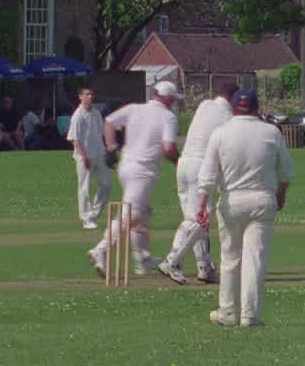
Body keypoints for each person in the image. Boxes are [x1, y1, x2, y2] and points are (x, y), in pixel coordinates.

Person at [194, 85, 294, 327]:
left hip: (232, 201)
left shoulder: (220, 133)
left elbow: (207, 175)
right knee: (255, 259)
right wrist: (281, 195)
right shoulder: (272, 132)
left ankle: (228, 312)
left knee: (230, 257)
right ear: (257, 108)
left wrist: (202, 204)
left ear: (233, 108)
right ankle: (249, 315)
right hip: (262, 200)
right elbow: (286, 172)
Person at [88, 76, 182, 279]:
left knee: (142, 213)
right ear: (167, 98)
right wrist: (179, 162)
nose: (174, 103)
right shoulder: (168, 117)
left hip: (125, 166)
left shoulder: (134, 108)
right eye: (173, 99)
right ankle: (100, 249)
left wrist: (111, 147)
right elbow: (168, 148)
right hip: (143, 171)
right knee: (131, 213)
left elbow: (109, 122)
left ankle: (143, 259)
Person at [162, 86, 233, 285]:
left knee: (193, 219)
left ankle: (205, 267)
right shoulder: (227, 115)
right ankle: (171, 261)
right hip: (200, 166)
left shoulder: (204, 105)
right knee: (199, 218)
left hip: (184, 164)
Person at [67, 85, 110, 230]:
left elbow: (101, 134)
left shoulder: (96, 113)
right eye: (87, 94)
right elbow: (74, 139)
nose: (90, 97)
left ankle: (93, 214)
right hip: (84, 156)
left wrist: (107, 150)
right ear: (80, 96)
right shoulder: (77, 115)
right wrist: (83, 156)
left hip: (99, 154)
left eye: (91, 94)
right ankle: (86, 219)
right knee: (84, 188)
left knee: (106, 184)